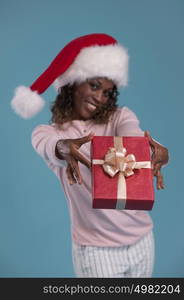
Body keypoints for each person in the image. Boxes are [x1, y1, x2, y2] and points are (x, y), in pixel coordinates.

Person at [11, 33, 168, 277]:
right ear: (73, 82)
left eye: (107, 92)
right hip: (96, 250)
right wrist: (63, 148)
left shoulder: (119, 117)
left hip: (142, 239)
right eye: (94, 85)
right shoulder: (46, 132)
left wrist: (152, 149)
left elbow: (133, 135)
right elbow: (50, 146)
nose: (99, 97)